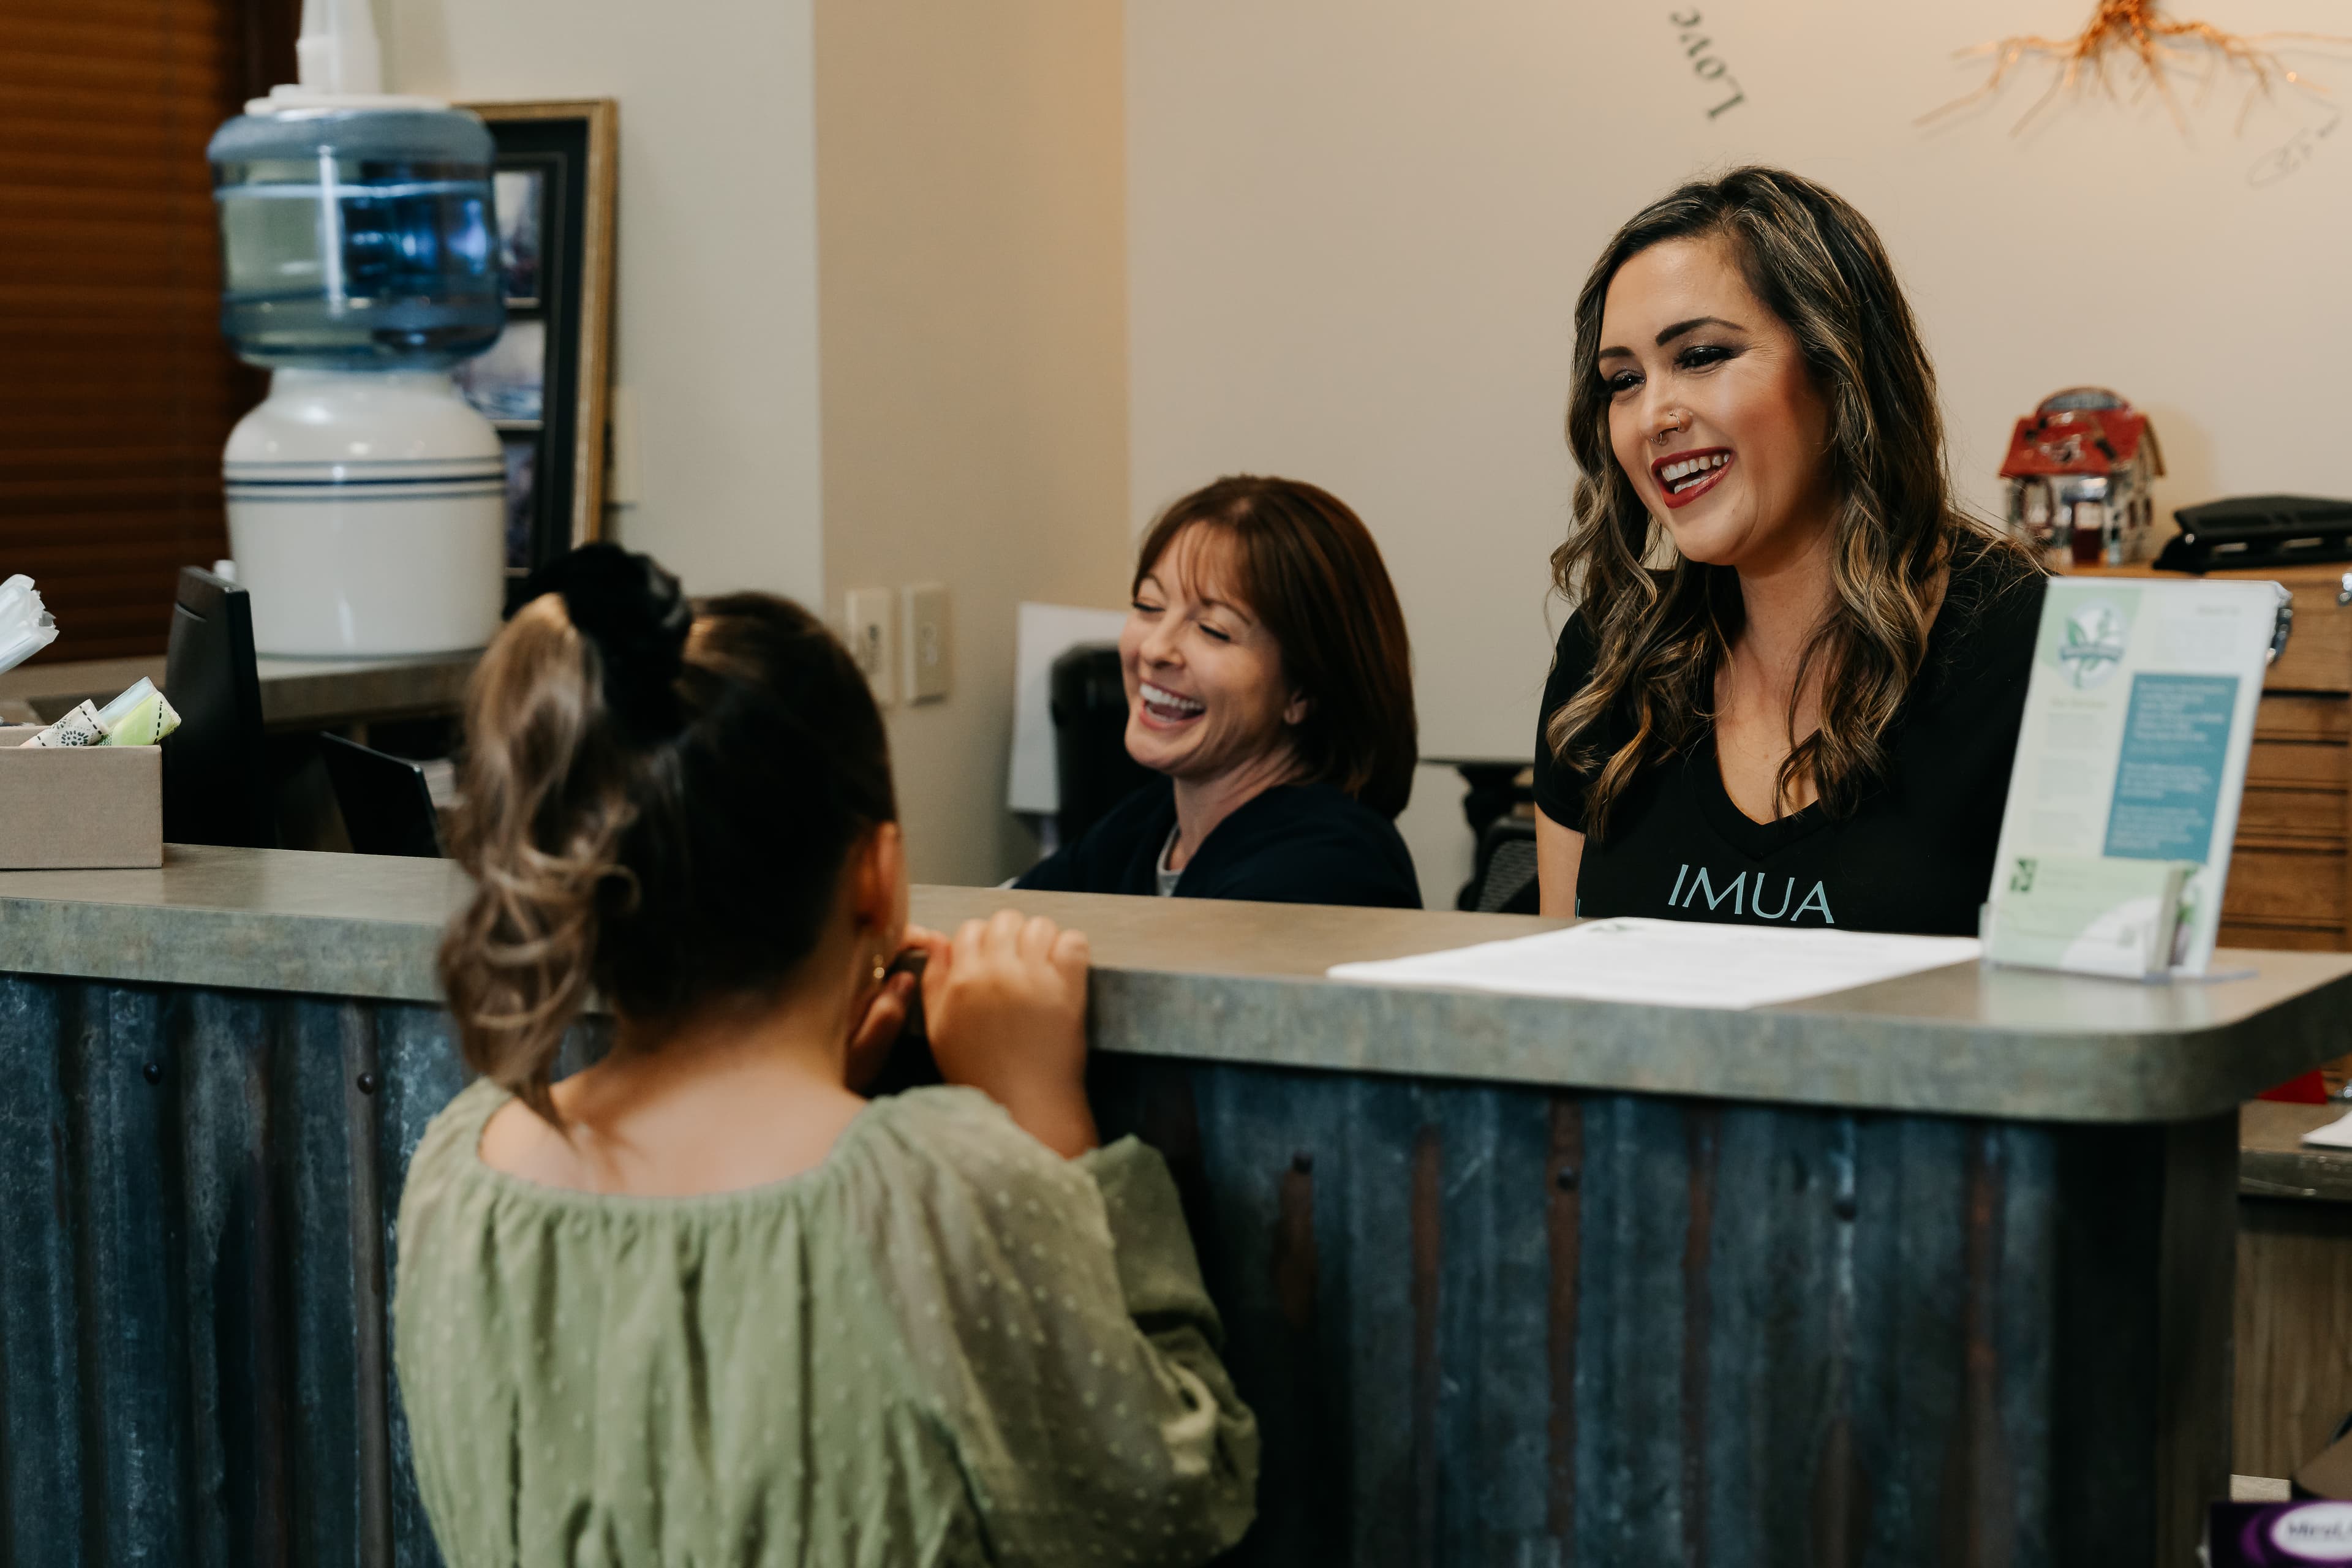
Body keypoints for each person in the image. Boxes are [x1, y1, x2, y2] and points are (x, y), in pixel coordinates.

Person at [393, 545, 1259, 1567]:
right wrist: (1043, 1118)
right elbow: (1175, 1503)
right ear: (876, 874)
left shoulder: (460, 1169)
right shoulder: (943, 1189)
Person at [1534, 167, 2046, 935]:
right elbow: (1555, 989)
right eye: (1624, 380)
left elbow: (2098, 1001)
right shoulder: (1607, 661)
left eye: (1701, 356)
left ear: (1839, 368)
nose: (1651, 417)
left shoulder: (2043, 653)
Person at [1019, 475, 1422, 908]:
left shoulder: (1327, 867)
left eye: (1213, 630)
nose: (1155, 649)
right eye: (1149, 607)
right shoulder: (1148, 822)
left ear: (1303, 692)